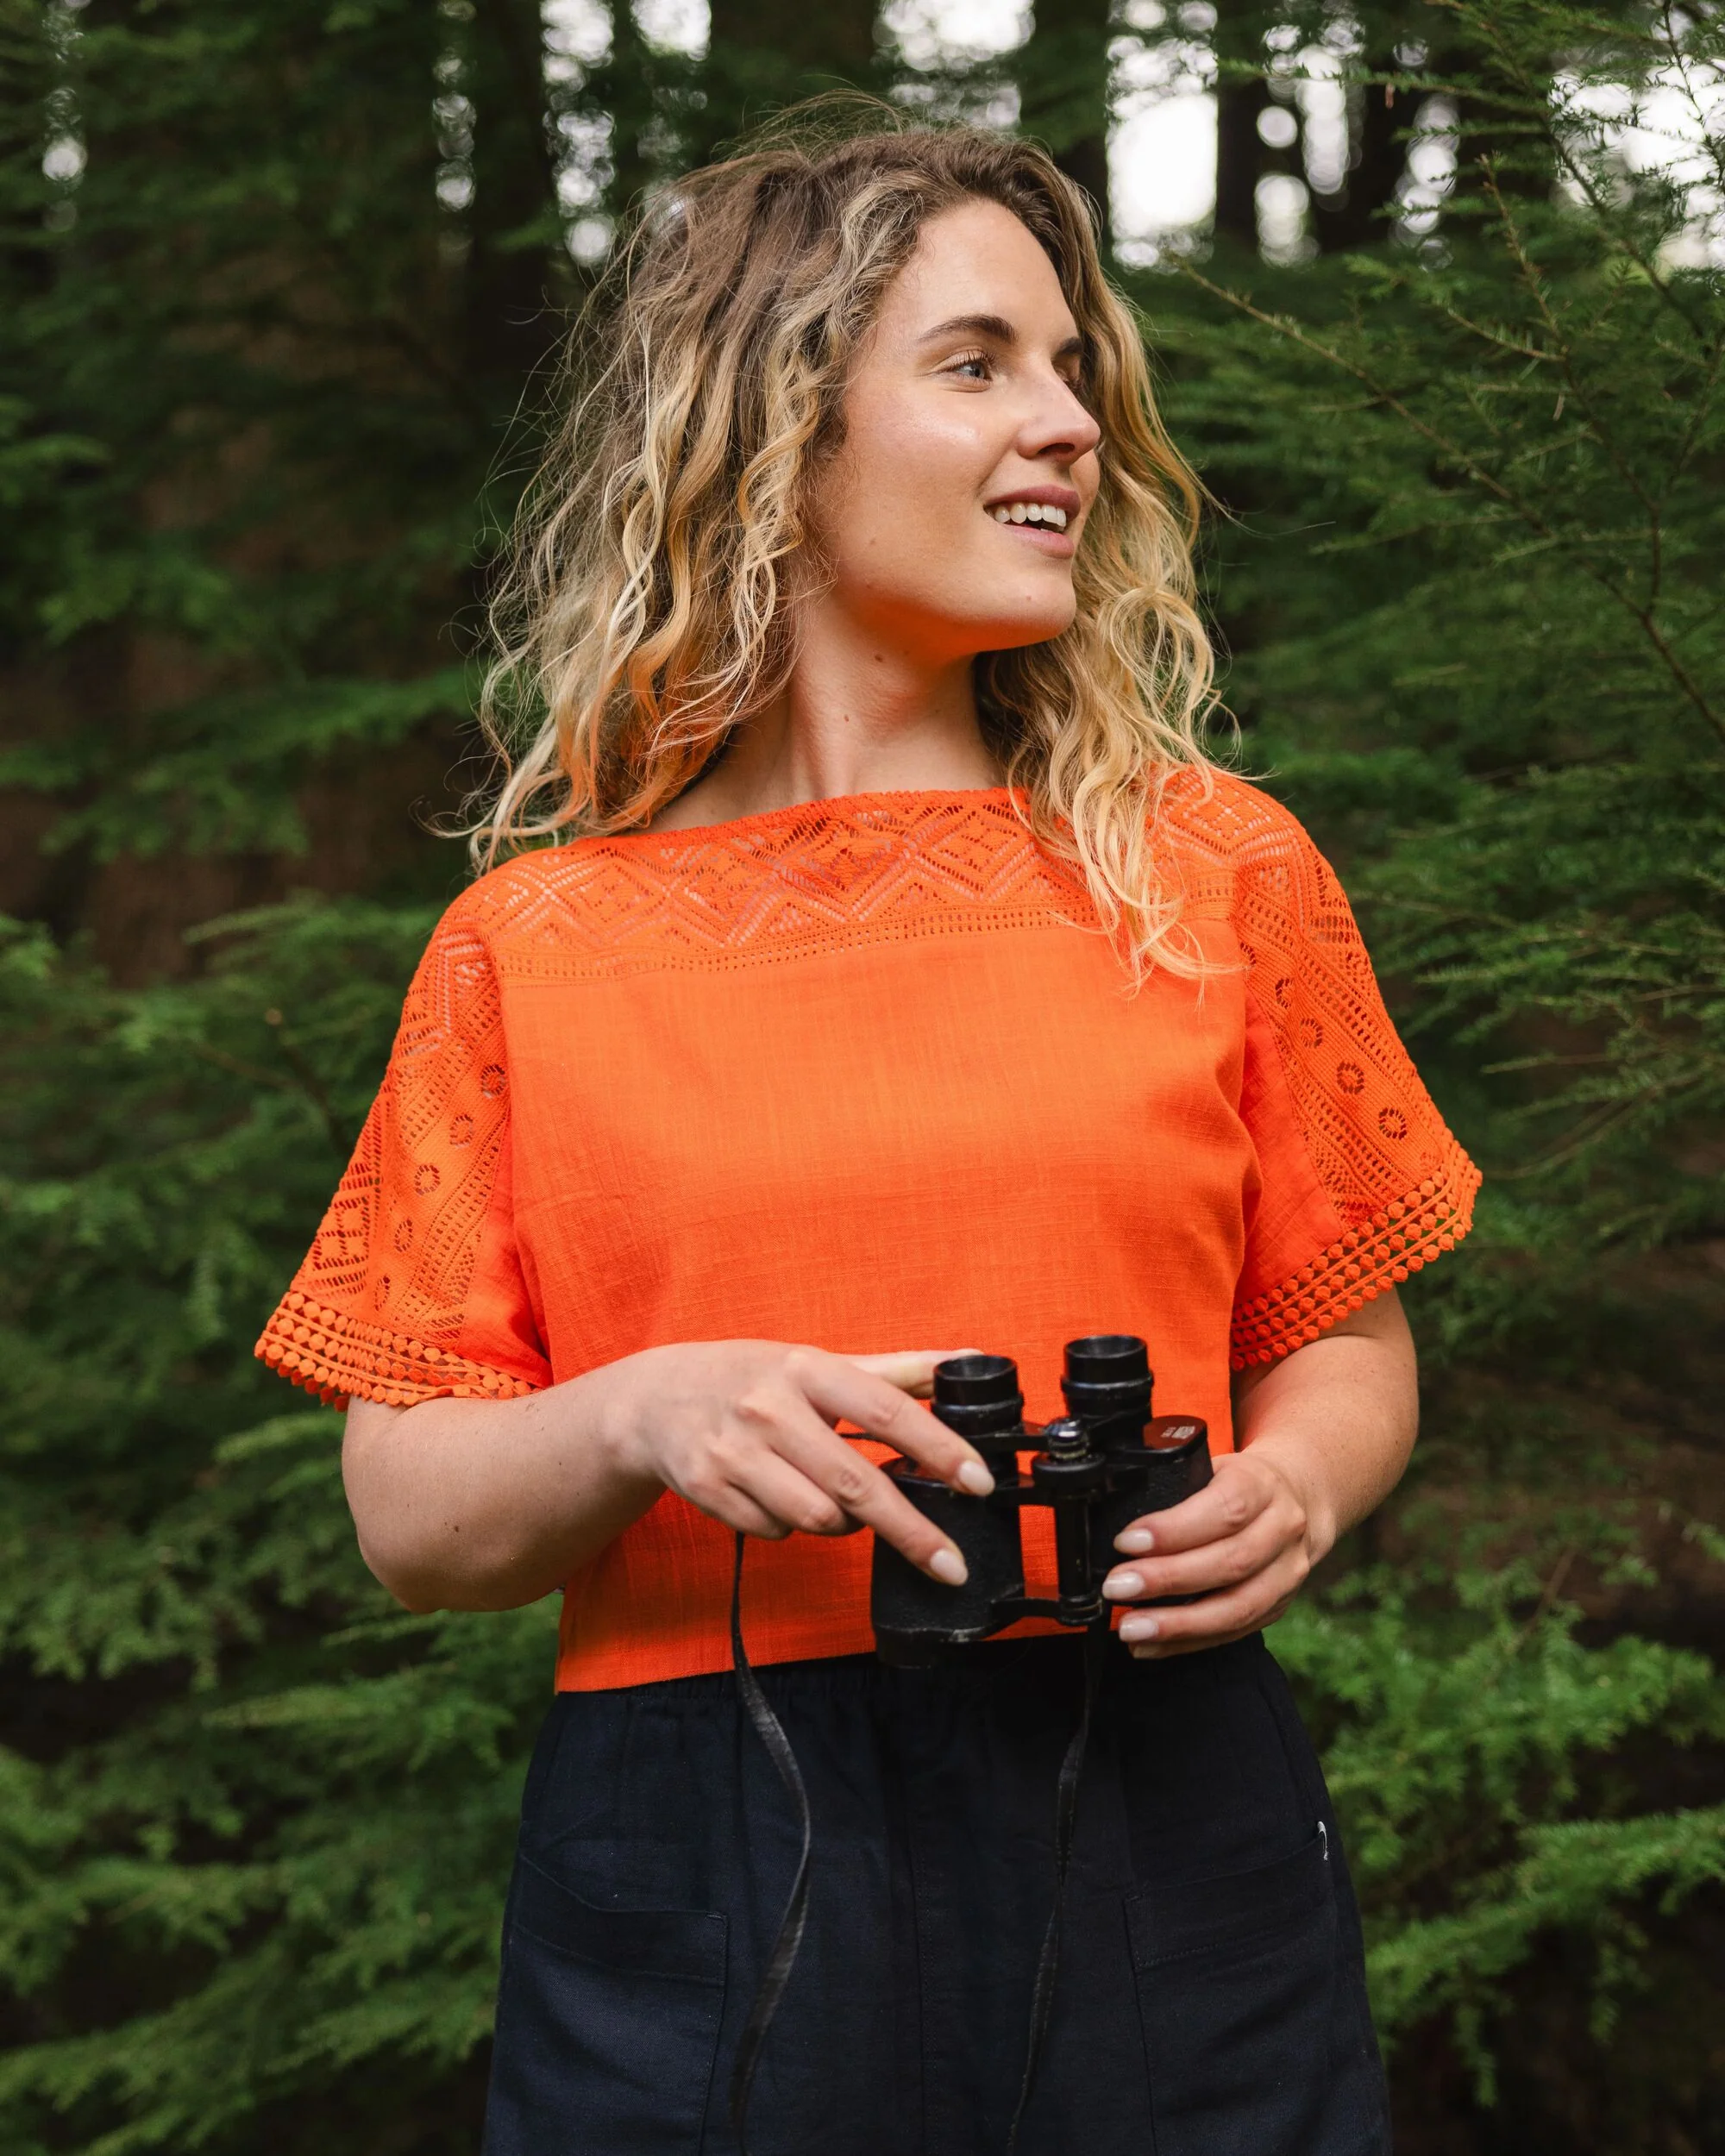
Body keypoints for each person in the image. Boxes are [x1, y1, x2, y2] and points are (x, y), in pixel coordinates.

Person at [258, 118, 1477, 2156]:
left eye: (1072, 367)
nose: (1068, 421)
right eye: (977, 363)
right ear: (777, 433)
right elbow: (411, 1512)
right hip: (702, 1850)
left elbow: (1343, 1337)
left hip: (1164, 1802)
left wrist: (1296, 1480)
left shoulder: (1211, 869)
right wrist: (643, 1412)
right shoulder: (532, 947)